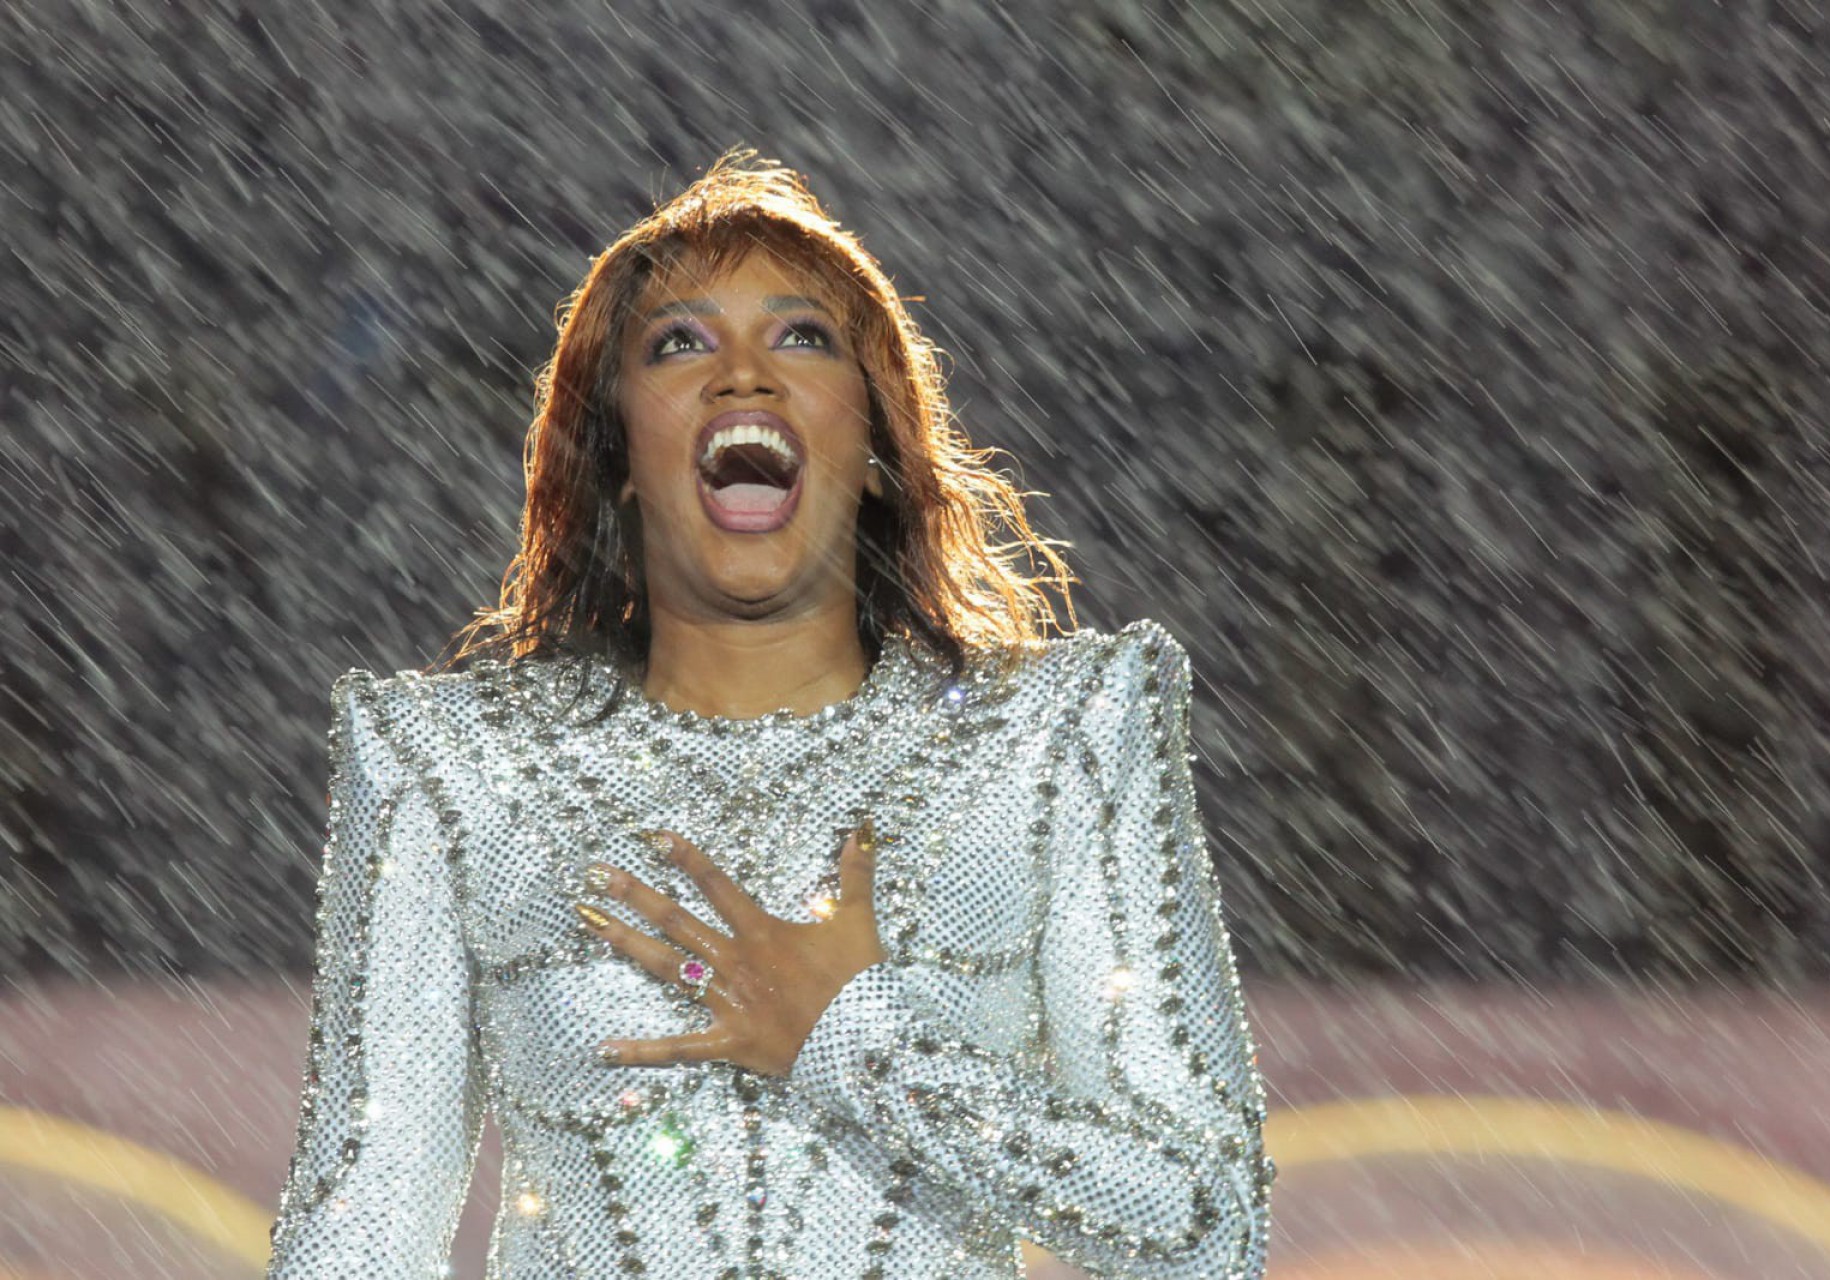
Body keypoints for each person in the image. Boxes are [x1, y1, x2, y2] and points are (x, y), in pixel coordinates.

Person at [264, 146, 1275, 1279]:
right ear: (619, 456)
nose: (742, 374)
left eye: (801, 336)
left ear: (880, 443)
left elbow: (1203, 1224)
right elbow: (358, 1239)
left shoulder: (1054, 736)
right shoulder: (459, 768)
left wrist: (853, 1042)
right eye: (680, 343)